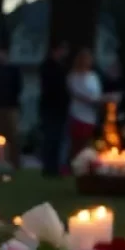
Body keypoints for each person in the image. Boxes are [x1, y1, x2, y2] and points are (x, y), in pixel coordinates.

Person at [39, 42, 70, 176]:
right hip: (52, 107)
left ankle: (54, 166)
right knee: (52, 138)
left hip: (58, 108)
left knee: (56, 138)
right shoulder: (49, 67)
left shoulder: (58, 67)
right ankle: (49, 166)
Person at [0, 47, 23, 168]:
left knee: (13, 136)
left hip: (11, 106)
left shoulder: (13, 70)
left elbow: (18, 87)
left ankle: (15, 162)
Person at [67, 47, 103, 158]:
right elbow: (76, 93)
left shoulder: (93, 77)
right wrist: (90, 100)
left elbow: (97, 94)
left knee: (87, 143)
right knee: (76, 143)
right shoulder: (73, 76)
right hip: (77, 114)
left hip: (91, 115)